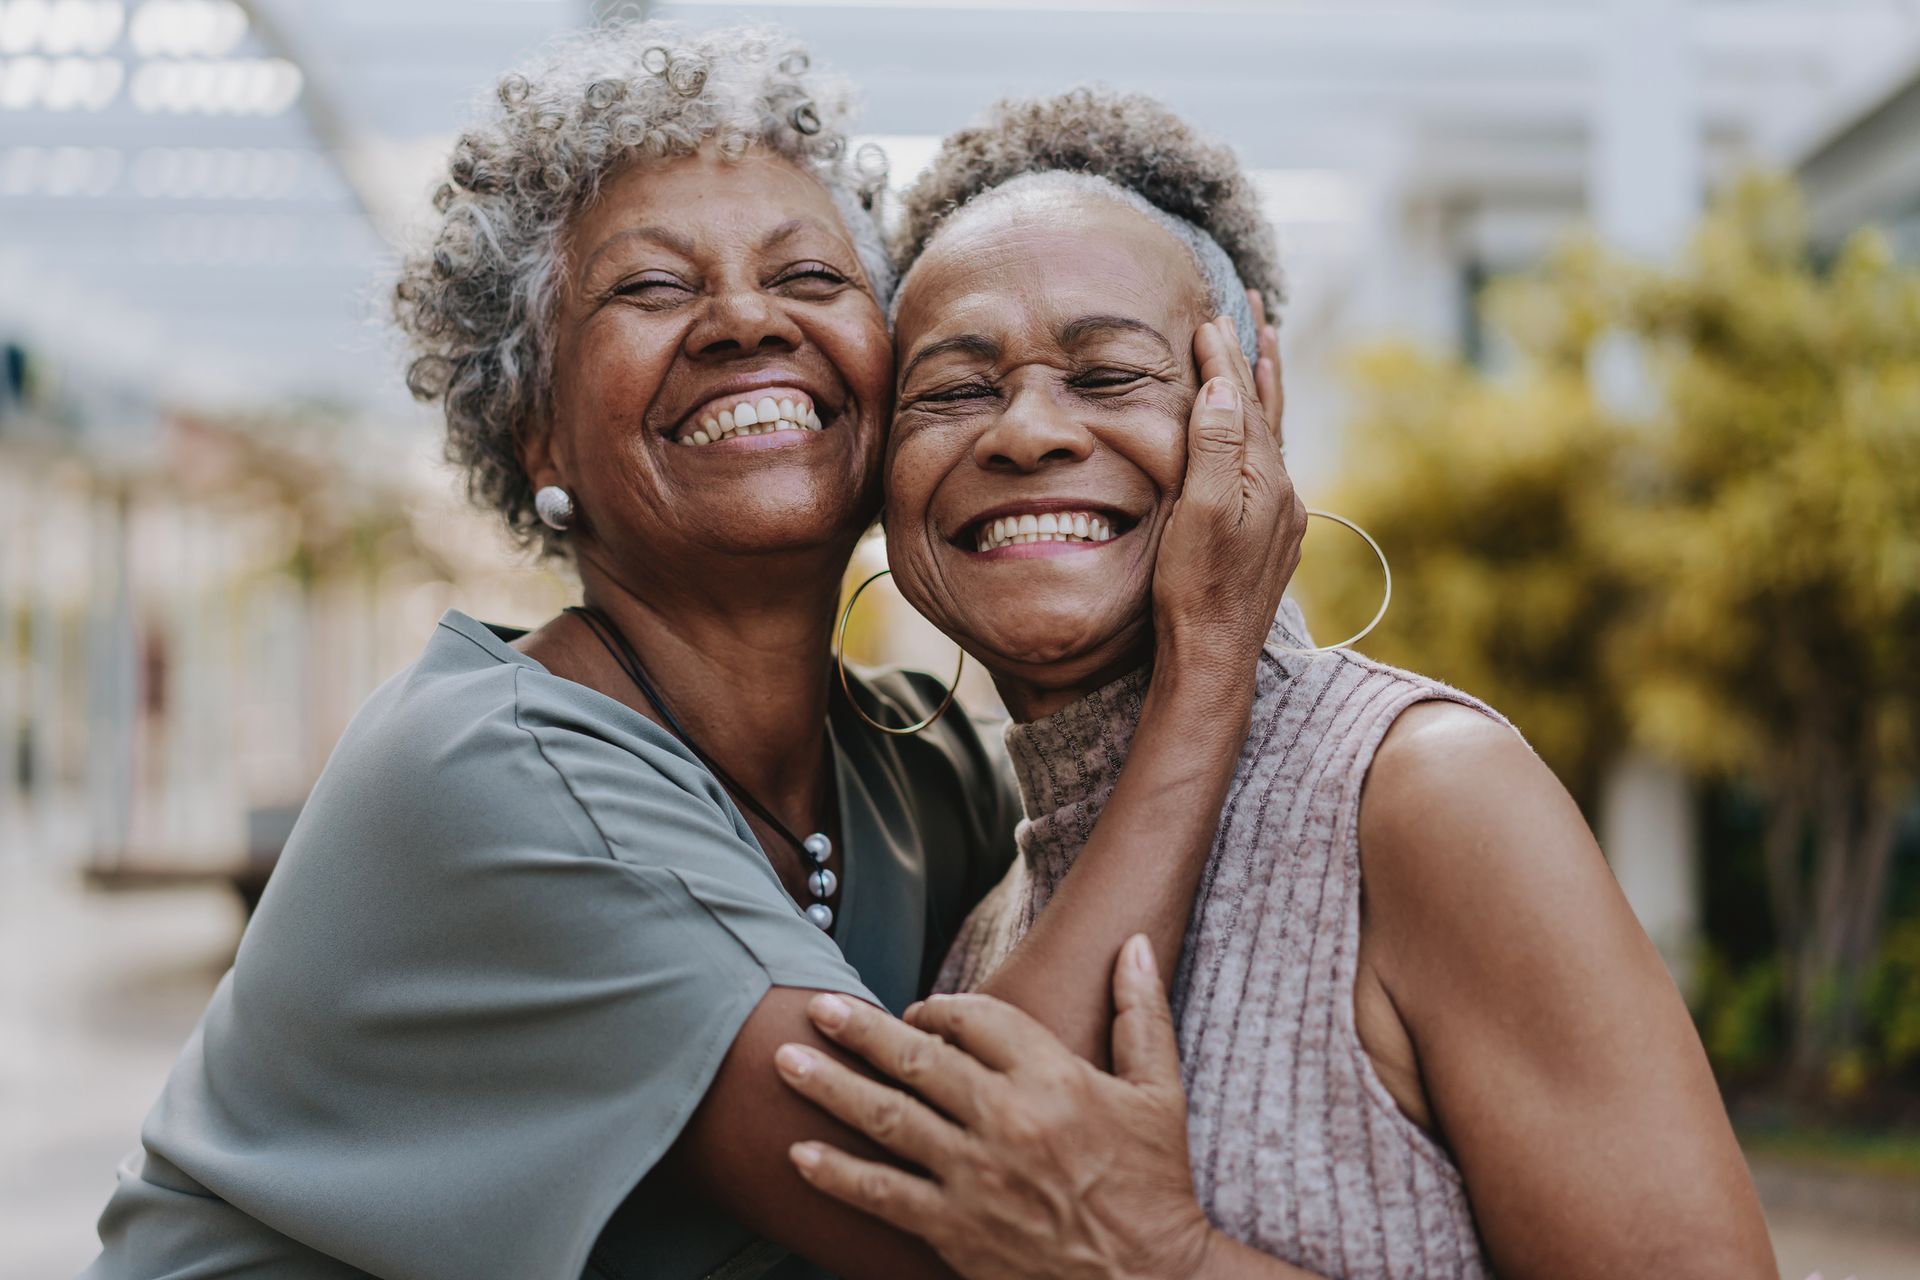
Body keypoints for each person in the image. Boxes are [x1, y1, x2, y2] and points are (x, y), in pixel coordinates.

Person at [81, 25, 1305, 1280]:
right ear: (535, 433)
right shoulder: (493, 767)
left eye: (814, 277)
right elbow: (949, 1207)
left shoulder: (916, 763)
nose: (741, 318)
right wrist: (1211, 654)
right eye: (650, 288)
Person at [773, 90, 1780, 1280]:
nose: (1028, 430)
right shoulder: (994, 920)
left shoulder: (1426, 797)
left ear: (1251, 396)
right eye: (954, 388)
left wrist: (1172, 1259)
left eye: (1107, 373)